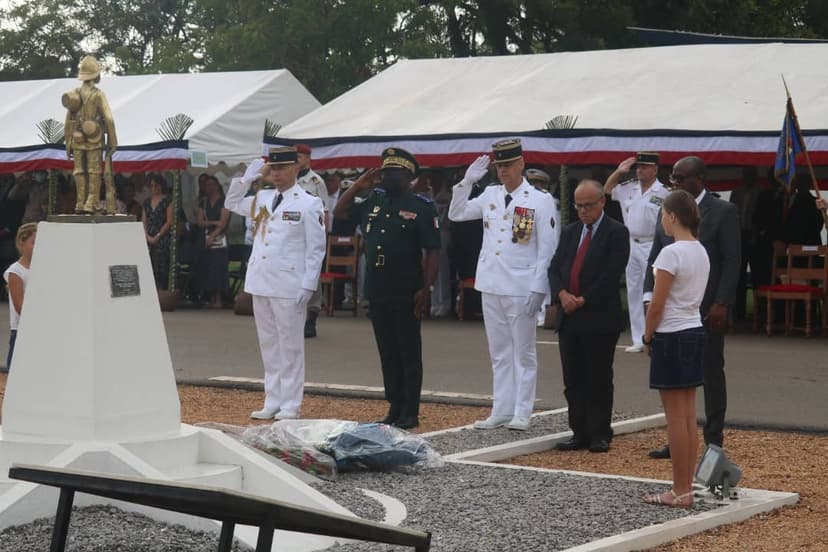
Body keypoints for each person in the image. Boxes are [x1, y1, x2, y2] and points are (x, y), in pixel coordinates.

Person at [448, 139, 560, 431]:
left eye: (508, 165)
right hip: (491, 282)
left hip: (521, 285)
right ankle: (501, 408)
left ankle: (522, 410)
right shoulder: (490, 194)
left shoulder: (539, 199)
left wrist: (540, 288)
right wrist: (466, 182)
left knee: (523, 352)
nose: (503, 171)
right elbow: (456, 214)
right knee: (499, 352)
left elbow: (547, 248)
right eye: (499, 166)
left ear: (521, 164)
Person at [333, 147, 440, 430]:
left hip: (407, 288)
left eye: (392, 172)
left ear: (407, 176)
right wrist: (357, 186)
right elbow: (340, 212)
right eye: (384, 171)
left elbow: (432, 251)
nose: (384, 176)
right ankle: (394, 405)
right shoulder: (372, 200)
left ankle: (410, 410)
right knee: (387, 352)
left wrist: (426, 288)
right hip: (377, 288)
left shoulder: (421, 206)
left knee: (408, 351)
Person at [645, 156, 740, 459]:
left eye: (681, 177)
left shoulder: (723, 211)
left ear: (700, 178)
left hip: (707, 306)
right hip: (673, 310)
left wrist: (722, 302)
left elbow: (732, 259)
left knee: (711, 373)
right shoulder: (669, 210)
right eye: (672, 176)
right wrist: (649, 294)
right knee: (678, 384)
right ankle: (678, 441)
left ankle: (713, 440)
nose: (675, 181)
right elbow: (656, 254)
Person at [225, 146, 325, 420]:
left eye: (281, 169)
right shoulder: (263, 197)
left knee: (290, 345)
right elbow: (232, 204)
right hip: (261, 280)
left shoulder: (309, 203)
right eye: (273, 169)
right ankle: (273, 399)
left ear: (295, 169)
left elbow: (316, 249)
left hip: (289, 282)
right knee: (269, 344)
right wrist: (247, 179)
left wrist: (308, 284)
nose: (277, 174)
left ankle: (291, 403)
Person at [549, 180, 629, 452]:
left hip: (598, 316)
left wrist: (583, 299)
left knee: (598, 377)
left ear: (602, 202)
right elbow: (556, 266)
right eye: (578, 206)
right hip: (569, 315)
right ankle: (578, 431)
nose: (583, 211)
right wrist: (561, 294)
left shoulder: (616, 232)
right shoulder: (571, 232)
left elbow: (611, 273)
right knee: (573, 378)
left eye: (588, 205)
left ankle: (599, 433)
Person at [641, 190, 709, 508]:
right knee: (689, 415)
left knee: (675, 417)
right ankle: (685, 487)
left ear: (671, 216)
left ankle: (679, 489)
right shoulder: (700, 250)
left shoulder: (671, 253)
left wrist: (646, 335)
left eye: (663, 215)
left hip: (672, 333)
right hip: (694, 329)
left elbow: (657, 303)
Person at [604, 152, 669, 352]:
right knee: (633, 291)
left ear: (655, 169)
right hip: (631, 243)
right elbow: (606, 190)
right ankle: (639, 338)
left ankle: (656, 333)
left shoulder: (664, 192)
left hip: (653, 243)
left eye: (645, 167)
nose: (640, 170)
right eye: (638, 167)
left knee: (654, 290)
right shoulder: (627, 188)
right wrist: (619, 172)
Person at [63, 55, 118, 214]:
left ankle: (79, 203)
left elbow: (68, 119)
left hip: (77, 137)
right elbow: (108, 118)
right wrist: (113, 141)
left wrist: (68, 141)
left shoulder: (74, 94)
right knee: (94, 171)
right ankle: (91, 203)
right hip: (95, 137)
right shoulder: (98, 94)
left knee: (79, 170)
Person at [295, 144, 328, 338]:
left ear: (308, 158)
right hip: (292, 235)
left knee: (312, 275)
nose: (296, 160)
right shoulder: (290, 179)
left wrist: (321, 239)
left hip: (311, 236)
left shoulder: (316, 182)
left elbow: (324, 213)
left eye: (299, 156)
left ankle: (311, 317)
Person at [3, 222, 37, 372]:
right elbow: (19, 307)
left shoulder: (42, 268)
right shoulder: (15, 272)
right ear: (22, 243)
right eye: (33, 242)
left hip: (39, 328)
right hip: (21, 330)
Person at [729, 167, 760, 323]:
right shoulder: (737, 192)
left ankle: (758, 313)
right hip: (739, 235)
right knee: (738, 275)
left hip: (754, 237)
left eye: (751, 175)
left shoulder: (761, 193)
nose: (748, 178)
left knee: (757, 275)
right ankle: (738, 312)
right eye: (746, 175)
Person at [195, 175, 230, 308]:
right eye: (207, 185)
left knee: (218, 269)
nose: (208, 187)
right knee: (207, 268)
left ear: (217, 186)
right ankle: (210, 297)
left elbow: (224, 222)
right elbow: (200, 221)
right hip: (205, 237)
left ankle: (219, 298)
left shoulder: (224, 202)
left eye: (211, 185)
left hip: (219, 239)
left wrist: (213, 235)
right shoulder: (203, 202)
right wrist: (214, 222)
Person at [142, 174, 173, 290]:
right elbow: (144, 220)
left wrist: (158, 235)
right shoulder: (146, 202)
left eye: (156, 185)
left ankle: (162, 290)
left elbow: (169, 221)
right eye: (152, 186)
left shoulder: (168, 201)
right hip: (149, 237)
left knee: (162, 266)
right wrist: (147, 236)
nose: (154, 188)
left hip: (162, 237)